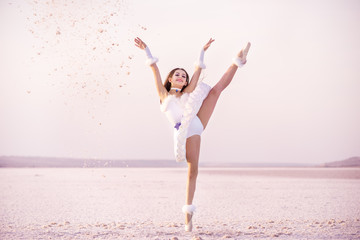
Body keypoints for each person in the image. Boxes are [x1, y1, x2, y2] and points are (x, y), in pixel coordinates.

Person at [134, 37, 250, 232]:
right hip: (183, 132)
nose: (181, 76)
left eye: (183, 75)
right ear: (170, 79)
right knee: (192, 171)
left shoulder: (189, 91)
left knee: (215, 92)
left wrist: (202, 51)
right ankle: (188, 217)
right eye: (177, 74)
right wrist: (147, 50)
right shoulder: (165, 96)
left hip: (196, 124)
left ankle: (237, 61)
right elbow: (154, 69)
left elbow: (197, 71)